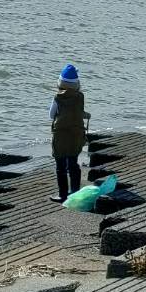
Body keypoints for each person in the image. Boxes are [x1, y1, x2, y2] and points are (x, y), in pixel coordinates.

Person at [49, 65, 90, 202]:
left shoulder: (57, 98)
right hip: (76, 134)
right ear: (77, 83)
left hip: (60, 135)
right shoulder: (80, 97)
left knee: (60, 167)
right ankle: (75, 193)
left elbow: (51, 115)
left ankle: (62, 195)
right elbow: (80, 113)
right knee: (73, 164)